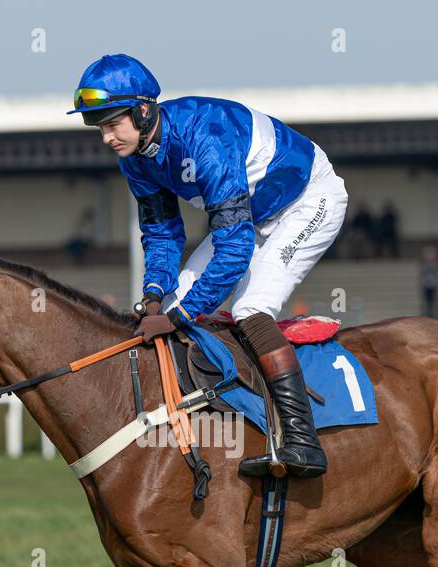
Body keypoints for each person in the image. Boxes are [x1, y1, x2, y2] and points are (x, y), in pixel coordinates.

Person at [68, 53, 349, 478]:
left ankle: (301, 440)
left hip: (307, 202)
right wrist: (154, 296)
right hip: (249, 217)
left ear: (143, 111)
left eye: (111, 123)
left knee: (250, 308)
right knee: (173, 305)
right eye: (98, 127)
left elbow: (234, 253)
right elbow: (162, 235)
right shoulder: (136, 160)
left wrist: (179, 315)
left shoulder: (206, 136)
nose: (106, 137)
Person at [420, 245, 438, 318]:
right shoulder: (424, 264)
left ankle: (433, 313)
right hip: (426, 285)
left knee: (433, 300)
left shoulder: (435, 264)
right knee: (427, 300)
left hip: (433, 284)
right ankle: (428, 312)